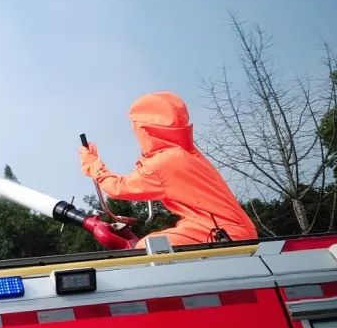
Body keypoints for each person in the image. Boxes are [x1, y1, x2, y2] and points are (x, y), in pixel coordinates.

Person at [79, 91, 257, 247]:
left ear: (145, 129)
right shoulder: (186, 154)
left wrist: (92, 163)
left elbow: (118, 188)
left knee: (146, 247)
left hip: (220, 232)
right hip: (232, 229)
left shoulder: (165, 162)